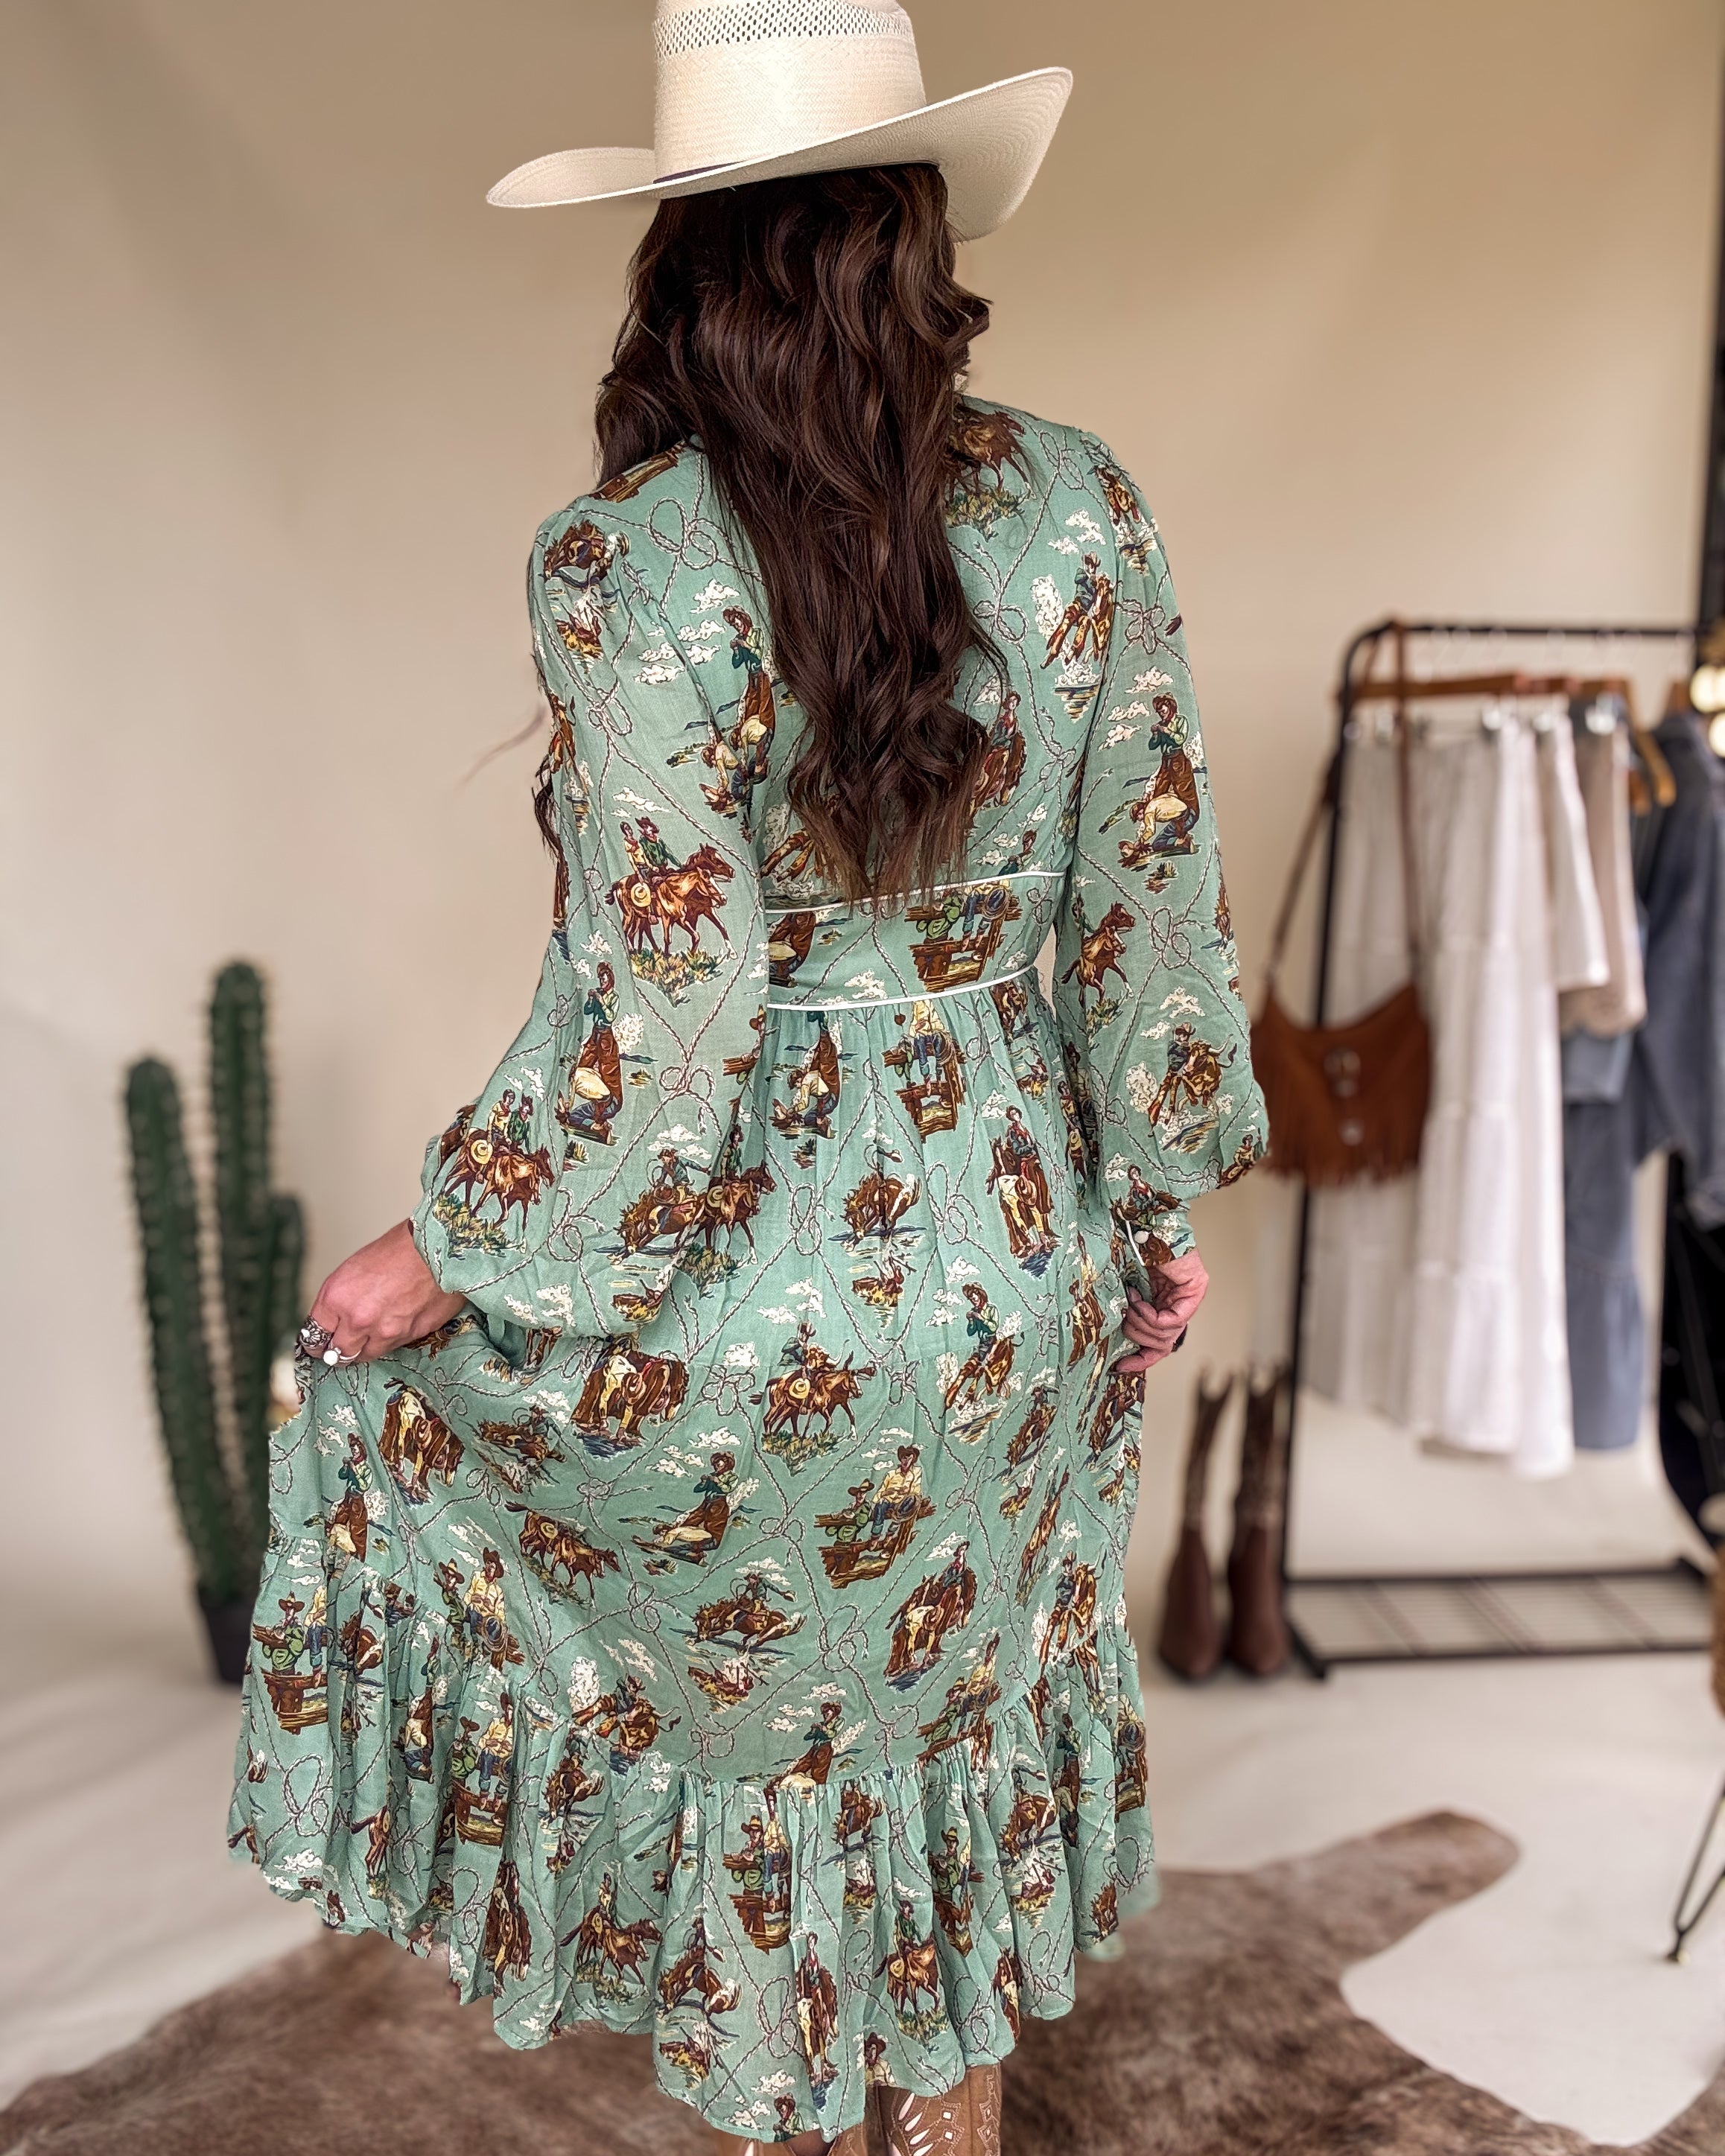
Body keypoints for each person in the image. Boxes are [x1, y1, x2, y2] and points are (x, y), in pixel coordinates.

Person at [233, 6, 1265, 2153]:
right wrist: (1148, 1220)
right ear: (919, 233)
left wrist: (448, 1247)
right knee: (935, 1794)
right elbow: (1145, 914)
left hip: (735, 1319)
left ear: (687, 261)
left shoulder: (628, 564)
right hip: (1009, 1279)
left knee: (780, 1816)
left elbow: (661, 1023)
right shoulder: (1082, 508)